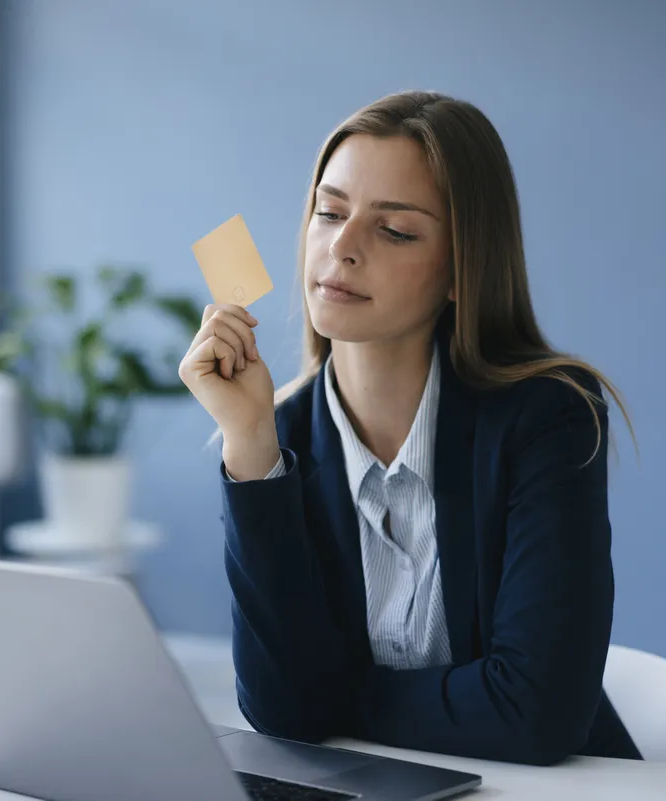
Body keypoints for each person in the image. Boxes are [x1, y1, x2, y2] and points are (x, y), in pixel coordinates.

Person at [178, 90, 642, 766]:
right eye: (329, 211)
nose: (342, 245)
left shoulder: (550, 417)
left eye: (393, 229)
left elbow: (537, 713)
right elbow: (281, 708)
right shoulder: (277, 436)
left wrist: (338, 696)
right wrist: (249, 442)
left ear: (462, 269)